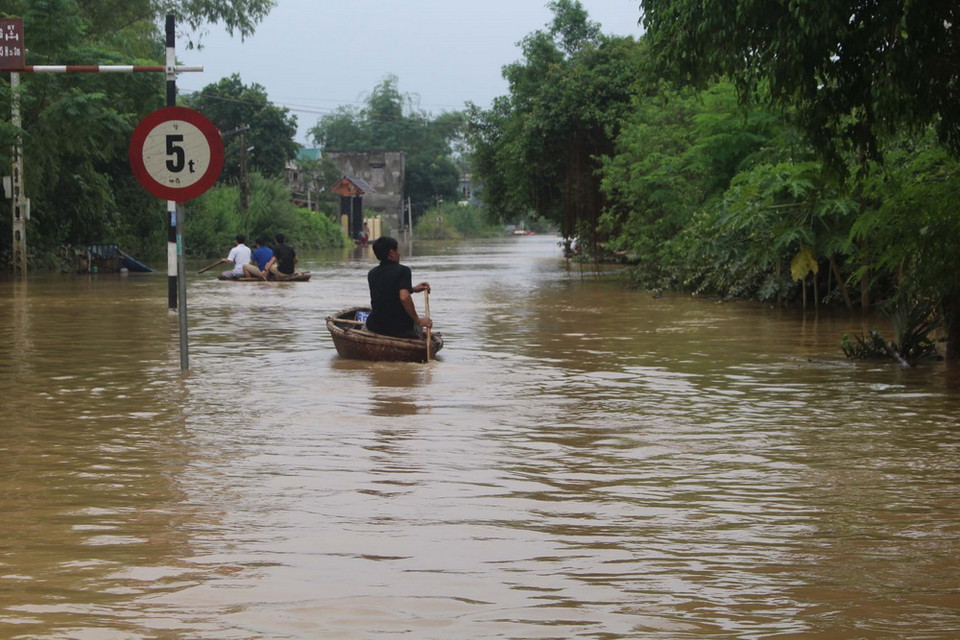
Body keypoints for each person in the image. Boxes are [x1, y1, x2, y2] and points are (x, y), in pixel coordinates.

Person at [366, 235, 432, 338]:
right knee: (424, 325)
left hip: (375, 326)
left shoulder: (372, 274)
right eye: (397, 251)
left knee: (366, 327)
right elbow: (404, 297)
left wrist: (413, 289)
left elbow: (387, 291)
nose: (399, 254)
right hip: (400, 329)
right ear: (391, 253)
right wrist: (418, 320)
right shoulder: (403, 270)